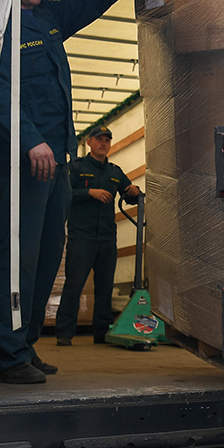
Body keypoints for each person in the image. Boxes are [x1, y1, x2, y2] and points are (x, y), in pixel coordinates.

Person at [0, 0, 134, 385]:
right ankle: (8, 355)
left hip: (59, 168)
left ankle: (26, 346)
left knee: (49, 256)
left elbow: (94, 1)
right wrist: (31, 141)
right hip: (23, 164)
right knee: (19, 258)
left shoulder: (49, 18)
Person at [55, 124, 140, 346]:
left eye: (107, 140)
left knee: (105, 287)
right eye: (99, 139)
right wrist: (89, 192)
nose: (103, 143)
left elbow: (130, 196)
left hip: (106, 239)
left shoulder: (115, 172)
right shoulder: (76, 167)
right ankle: (64, 334)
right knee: (74, 285)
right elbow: (64, 194)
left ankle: (101, 334)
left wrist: (134, 192)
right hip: (81, 237)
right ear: (89, 143)